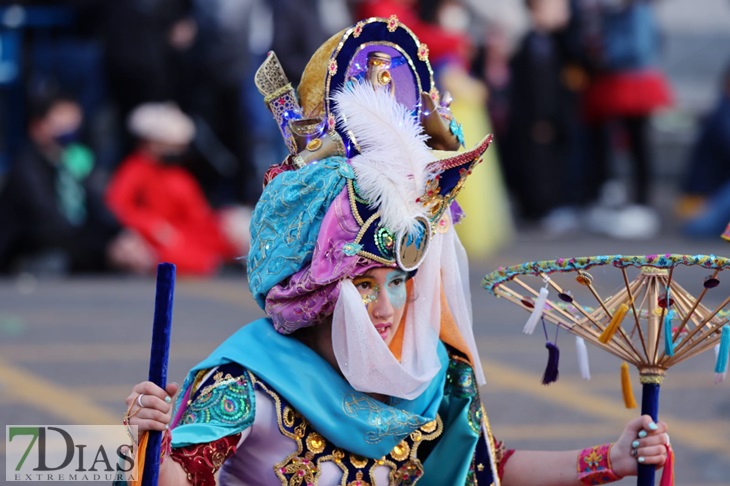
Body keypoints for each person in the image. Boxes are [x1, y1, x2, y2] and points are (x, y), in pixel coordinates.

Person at [120, 19, 670, 485]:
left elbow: (490, 463)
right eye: (363, 285)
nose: (387, 308)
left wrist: (610, 459)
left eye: (397, 281)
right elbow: (182, 476)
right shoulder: (245, 385)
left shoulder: (429, 374)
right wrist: (154, 445)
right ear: (316, 290)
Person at [0, 92, 152, 274]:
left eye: (73, 121)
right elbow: (48, 225)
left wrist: (121, 236)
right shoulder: (26, 168)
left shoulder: (75, 159)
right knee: (56, 262)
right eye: (61, 121)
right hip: (31, 252)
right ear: (38, 128)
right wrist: (104, 249)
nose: (69, 128)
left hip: (76, 246)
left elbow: (98, 207)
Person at [106, 102, 250, 276]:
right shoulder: (136, 168)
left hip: (190, 232)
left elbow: (198, 213)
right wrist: (152, 225)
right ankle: (216, 264)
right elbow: (119, 205)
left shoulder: (178, 172)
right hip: (159, 236)